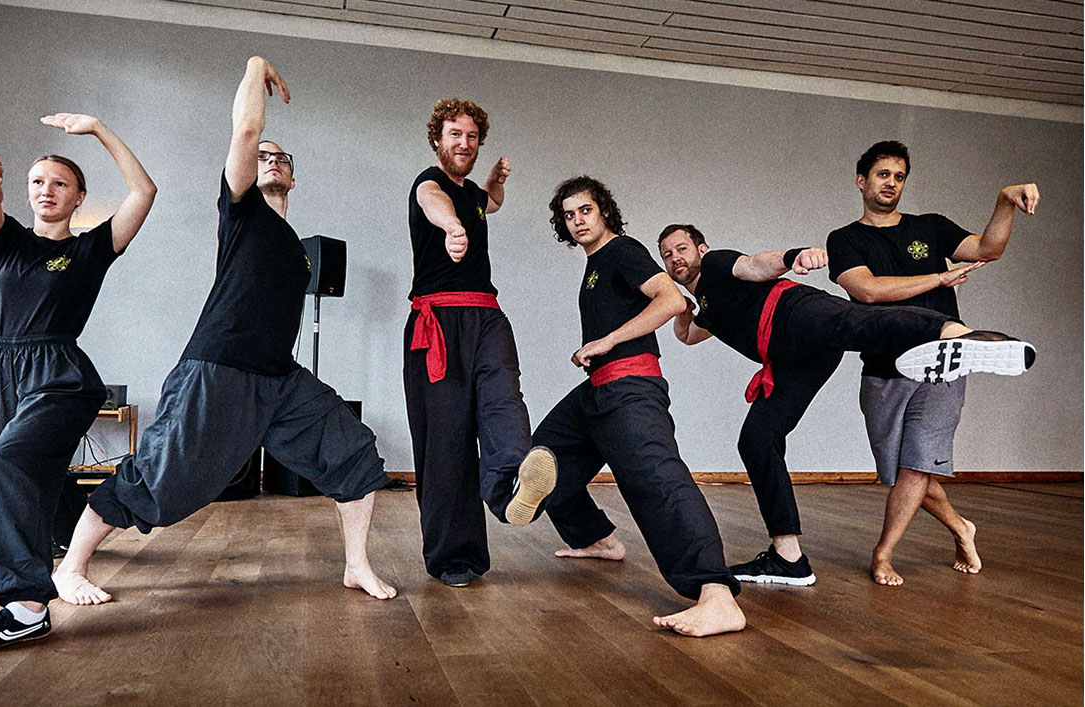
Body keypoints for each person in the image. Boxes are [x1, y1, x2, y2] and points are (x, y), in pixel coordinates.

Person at [51, 55, 397, 608]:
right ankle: (70, 568)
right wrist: (256, 67)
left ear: (293, 176)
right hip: (218, 368)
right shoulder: (243, 213)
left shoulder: (296, 249)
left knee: (352, 450)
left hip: (279, 378)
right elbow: (247, 129)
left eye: (281, 158)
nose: (271, 160)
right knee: (159, 479)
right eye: (262, 157)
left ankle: (357, 565)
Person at [657, 223, 1034, 586]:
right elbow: (689, 335)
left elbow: (754, 264)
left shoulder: (718, 263)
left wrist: (792, 256)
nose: (675, 258)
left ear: (701, 249)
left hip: (795, 314)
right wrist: (683, 312)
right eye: (667, 255)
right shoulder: (709, 307)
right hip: (789, 359)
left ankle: (955, 334)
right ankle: (789, 559)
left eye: (681, 248)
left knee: (858, 323)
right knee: (757, 440)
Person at [0, 114, 157, 655]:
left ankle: (23, 608)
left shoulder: (89, 250)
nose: (46, 190)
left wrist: (100, 130)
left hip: (60, 375)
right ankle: (66, 544)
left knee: (9, 460)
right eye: (37, 181)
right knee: (38, 472)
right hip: (4, 369)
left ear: (78, 198)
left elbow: (143, 192)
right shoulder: (7, 242)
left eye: (60, 183)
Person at [533, 176, 745, 637]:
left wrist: (607, 340)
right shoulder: (596, 264)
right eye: (569, 215)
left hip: (631, 388)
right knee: (545, 457)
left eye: (585, 210)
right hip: (598, 390)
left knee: (659, 482)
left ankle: (717, 596)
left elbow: (671, 299)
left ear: (604, 211)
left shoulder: (622, 250)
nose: (577, 221)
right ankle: (597, 539)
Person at [826, 140, 1040, 586]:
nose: (891, 183)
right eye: (883, 174)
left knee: (917, 464)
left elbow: (988, 249)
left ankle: (883, 554)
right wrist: (940, 278)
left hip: (945, 362)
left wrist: (1005, 202)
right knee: (899, 469)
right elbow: (867, 291)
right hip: (885, 367)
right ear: (861, 181)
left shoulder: (931, 226)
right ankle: (961, 527)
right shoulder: (844, 239)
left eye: (899, 177)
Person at [404, 98, 557, 587]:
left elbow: (488, 204)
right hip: (439, 322)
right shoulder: (429, 183)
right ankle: (454, 557)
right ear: (437, 139)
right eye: (455, 134)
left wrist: (495, 184)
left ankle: (512, 485)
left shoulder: (472, 193)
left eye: (471, 136)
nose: (464, 143)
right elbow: (434, 200)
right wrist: (451, 227)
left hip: (487, 315)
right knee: (446, 441)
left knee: (503, 401)